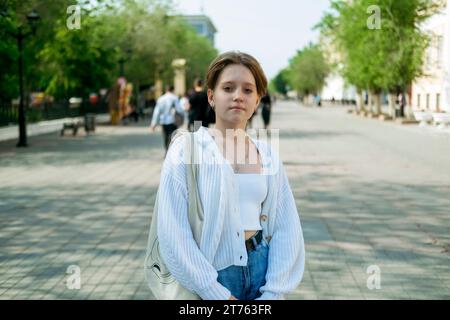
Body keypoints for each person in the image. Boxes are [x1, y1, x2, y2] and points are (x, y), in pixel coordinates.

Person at [152, 51, 305, 300]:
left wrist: (274, 291)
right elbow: (173, 231)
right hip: (211, 275)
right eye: (228, 88)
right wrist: (215, 293)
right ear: (212, 96)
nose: (238, 96)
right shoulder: (186, 149)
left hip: (262, 271)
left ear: (257, 101)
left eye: (247, 90)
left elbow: (285, 226)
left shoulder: (266, 153)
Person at [150, 85, 186, 153]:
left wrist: (153, 124)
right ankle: (170, 153)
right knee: (172, 137)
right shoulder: (174, 98)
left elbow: (156, 112)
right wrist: (183, 115)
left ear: (166, 90)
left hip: (163, 121)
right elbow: (179, 109)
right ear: (172, 90)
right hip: (172, 121)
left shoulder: (160, 99)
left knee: (165, 137)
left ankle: (167, 151)